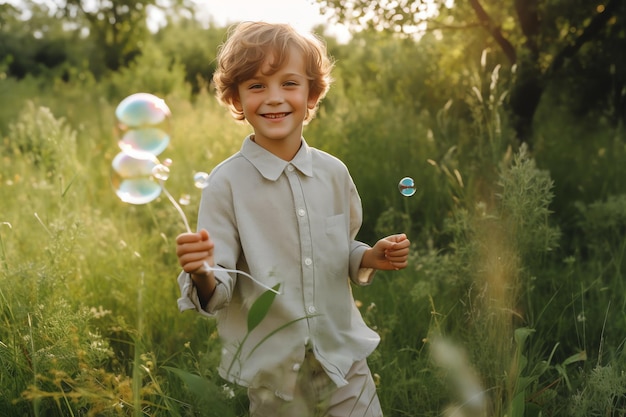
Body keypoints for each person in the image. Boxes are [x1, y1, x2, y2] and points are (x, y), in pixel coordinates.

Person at [175, 21, 410, 417]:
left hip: (342, 357)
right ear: (235, 99)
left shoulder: (334, 173)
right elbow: (221, 283)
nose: (273, 99)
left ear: (311, 94)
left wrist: (368, 256)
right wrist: (201, 272)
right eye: (256, 86)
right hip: (273, 372)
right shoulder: (226, 184)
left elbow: (338, 247)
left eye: (289, 84)